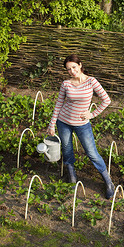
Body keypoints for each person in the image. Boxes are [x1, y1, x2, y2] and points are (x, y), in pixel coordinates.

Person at [47, 54, 115, 199]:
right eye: (68, 69)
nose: (72, 71)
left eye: (73, 67)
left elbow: (106, 100)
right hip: (63, 122)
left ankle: (108, 182)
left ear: (80, 65)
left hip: (82, 124)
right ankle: (72, 178)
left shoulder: (91, 81)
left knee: (92, 153)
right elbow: (59, 104)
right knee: (67, 150)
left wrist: (92, 114)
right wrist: (52, 124)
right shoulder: (66, 84)